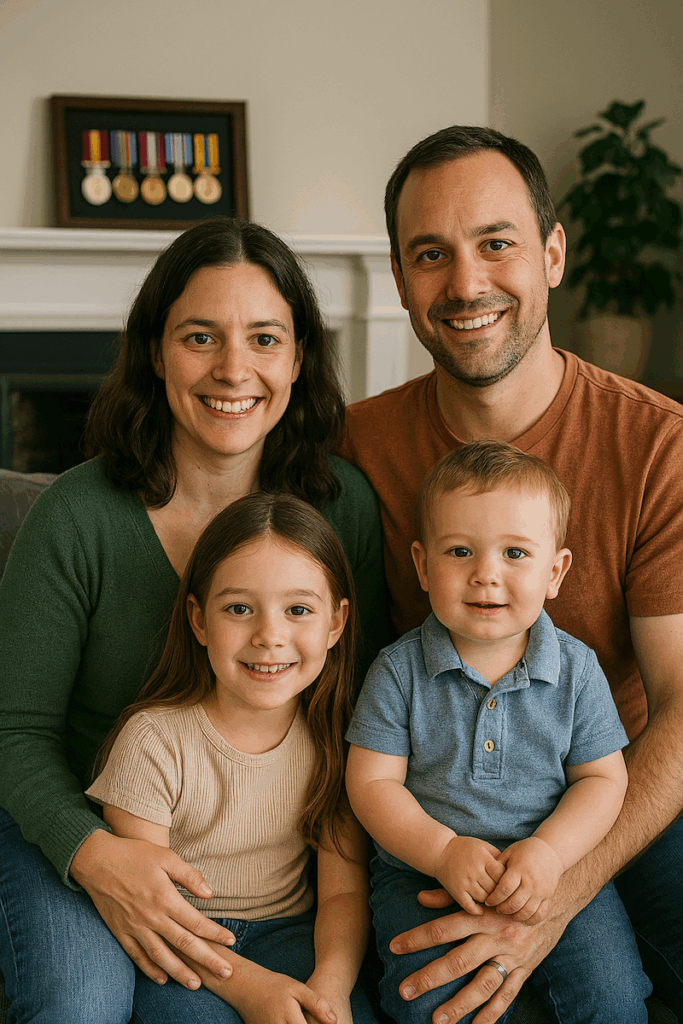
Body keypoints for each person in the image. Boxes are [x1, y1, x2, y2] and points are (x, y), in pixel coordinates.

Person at [0, 218, 389, 1023]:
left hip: (263, 856)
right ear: (155, 351)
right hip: (72, 817)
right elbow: (13, 732)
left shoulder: (341, 507)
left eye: (265, 339)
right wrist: (97, 855)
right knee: (79, 1007)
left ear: (298, 357)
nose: (233, 369)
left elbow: (363, 705)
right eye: (200, 337)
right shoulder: (77, 516)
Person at [339, 125, 683, 1022]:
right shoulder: (352, 448)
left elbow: (682, 702)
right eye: (430, 255)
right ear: (400, 277)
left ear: (552, 253)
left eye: (496, 242)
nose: (464, 283)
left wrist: (559, 885)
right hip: (431, 813)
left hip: (616, 793)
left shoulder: (656, 444)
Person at [346, 440, 650, 1023]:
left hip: (549, 867)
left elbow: (603, 779)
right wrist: (441, 850)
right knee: (428, 1004)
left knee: (611, 997)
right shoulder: (398, 669)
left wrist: (549, 853)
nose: (486, 574)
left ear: (555, 571)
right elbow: (371, 784)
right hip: (424, 872)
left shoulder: (576, 669)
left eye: (515, 553)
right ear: (421, 566)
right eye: (460, 551)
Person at [86, 491, 379, 1024]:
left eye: (298, 610)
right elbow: (150, 910)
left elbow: (342, 892)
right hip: (180, 944)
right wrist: (251, 988)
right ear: (199, 620)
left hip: (293, 935)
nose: (269, 636)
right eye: (239, 608)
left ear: (335, 623)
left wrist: (330, 989)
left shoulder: (339, 738)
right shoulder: (152, 742)